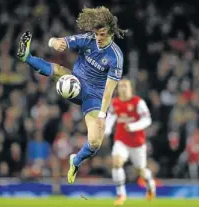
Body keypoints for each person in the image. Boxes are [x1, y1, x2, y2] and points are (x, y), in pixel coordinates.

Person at [17, 6, 127, 184]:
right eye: (97, 34)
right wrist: (54, 42)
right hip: (76, 83)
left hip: (95, 98)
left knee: (95, 142)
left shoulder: (116, 57)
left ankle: (75, 161)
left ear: (111, 32)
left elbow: (109, 89)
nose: (98, 38)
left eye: (102, 35)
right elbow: (58, 41)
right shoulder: (88, 39)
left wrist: (101, 115)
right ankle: (27, 57)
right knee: (60, 71)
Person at [105, 79, 156, 206]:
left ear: (131, 89)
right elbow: (111, 117)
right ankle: (121, 194)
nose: (123, 89)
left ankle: (150, 184)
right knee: (116, 162)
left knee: (141, 170)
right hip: (121, 140)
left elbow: (147, 120)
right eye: (121, 86)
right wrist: (106, 131)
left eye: (125, 86)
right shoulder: (115, 102)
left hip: (137, 143)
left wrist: (133, 126)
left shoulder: (138, 102)